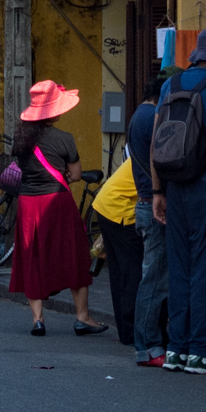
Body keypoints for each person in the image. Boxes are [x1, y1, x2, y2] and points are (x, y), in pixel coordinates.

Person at [145, 26, 206, 373]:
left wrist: (158, 191)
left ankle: (176, 349)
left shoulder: (170, 86)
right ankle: (201, 352)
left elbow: (157, 142)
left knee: (180, 266)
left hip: (173, 186)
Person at [6, 79, 105, 338]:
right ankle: (82, 317)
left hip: (28, 204)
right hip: (57, 202)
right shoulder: (64, 138)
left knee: (32, 257)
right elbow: (75, 174)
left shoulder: (20, 138)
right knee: (75, 255)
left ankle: (38, 320)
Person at [126, 77, 170, 366]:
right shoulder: (151, 117)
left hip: (144, 203)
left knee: (152, 276)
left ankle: (148, 341)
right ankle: (148, 345)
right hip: (152, 204)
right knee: (154, 278)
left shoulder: (138, 115)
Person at [93, 149, 145, 348]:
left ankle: (126, 330)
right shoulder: (159, 155)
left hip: (106, 204)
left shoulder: (144, 149)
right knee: (132, 272)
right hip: (119, 210)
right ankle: (131, 330)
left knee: (119, 273)